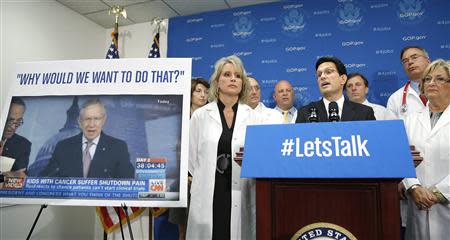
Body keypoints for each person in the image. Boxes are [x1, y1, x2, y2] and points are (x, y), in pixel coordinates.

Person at [187, 55, 261, 239]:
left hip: (241, 191)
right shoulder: (201, 116)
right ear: (217, 81)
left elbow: (259, 159)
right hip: (209, 193)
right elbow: (190, 161)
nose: (233, 79)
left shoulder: (253, 117)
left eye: (237, 75)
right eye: (227, 74)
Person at [401, 59, 450, 240]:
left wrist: (439, 194)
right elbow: (401, 158)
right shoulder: (410, 120)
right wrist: (413, 187)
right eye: (427, 79)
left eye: (439, 79)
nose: (431, 83)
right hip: (417, 205)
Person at [40, 98, 134, 178]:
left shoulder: (118, 148)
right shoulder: (63, 147)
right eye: (87, 119)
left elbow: (128, 182)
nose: (91, 124)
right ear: (79, 121)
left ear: (104, 120)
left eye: (96, 119)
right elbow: (45, 179)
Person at [169, 78, 210, 240]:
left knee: (204, 228)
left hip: (204, 179)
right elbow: (171, 152)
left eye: (206, 92)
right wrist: (183, 176)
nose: (203, 95)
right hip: (182, 181)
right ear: (190, 93)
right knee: (184, 230)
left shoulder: (211, 119)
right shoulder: (178, 119)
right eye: (198, 91)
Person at [296, 56, 375, 122]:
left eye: (329, 72)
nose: (322, 77)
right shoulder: (305, 112)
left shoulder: (364, 112)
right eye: (319, 75)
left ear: (343, 79)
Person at [387, 46, 430, 119]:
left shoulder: (446, 89)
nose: (410, 62)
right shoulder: (395, 99)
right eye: (405, 61)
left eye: (414, 57)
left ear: (428, 61)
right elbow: (392, 129)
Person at [0, 97, 31, 177]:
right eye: (10, 120)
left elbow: (20, 179)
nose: (13, 127)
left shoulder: (23, 145)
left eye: (18, 121)